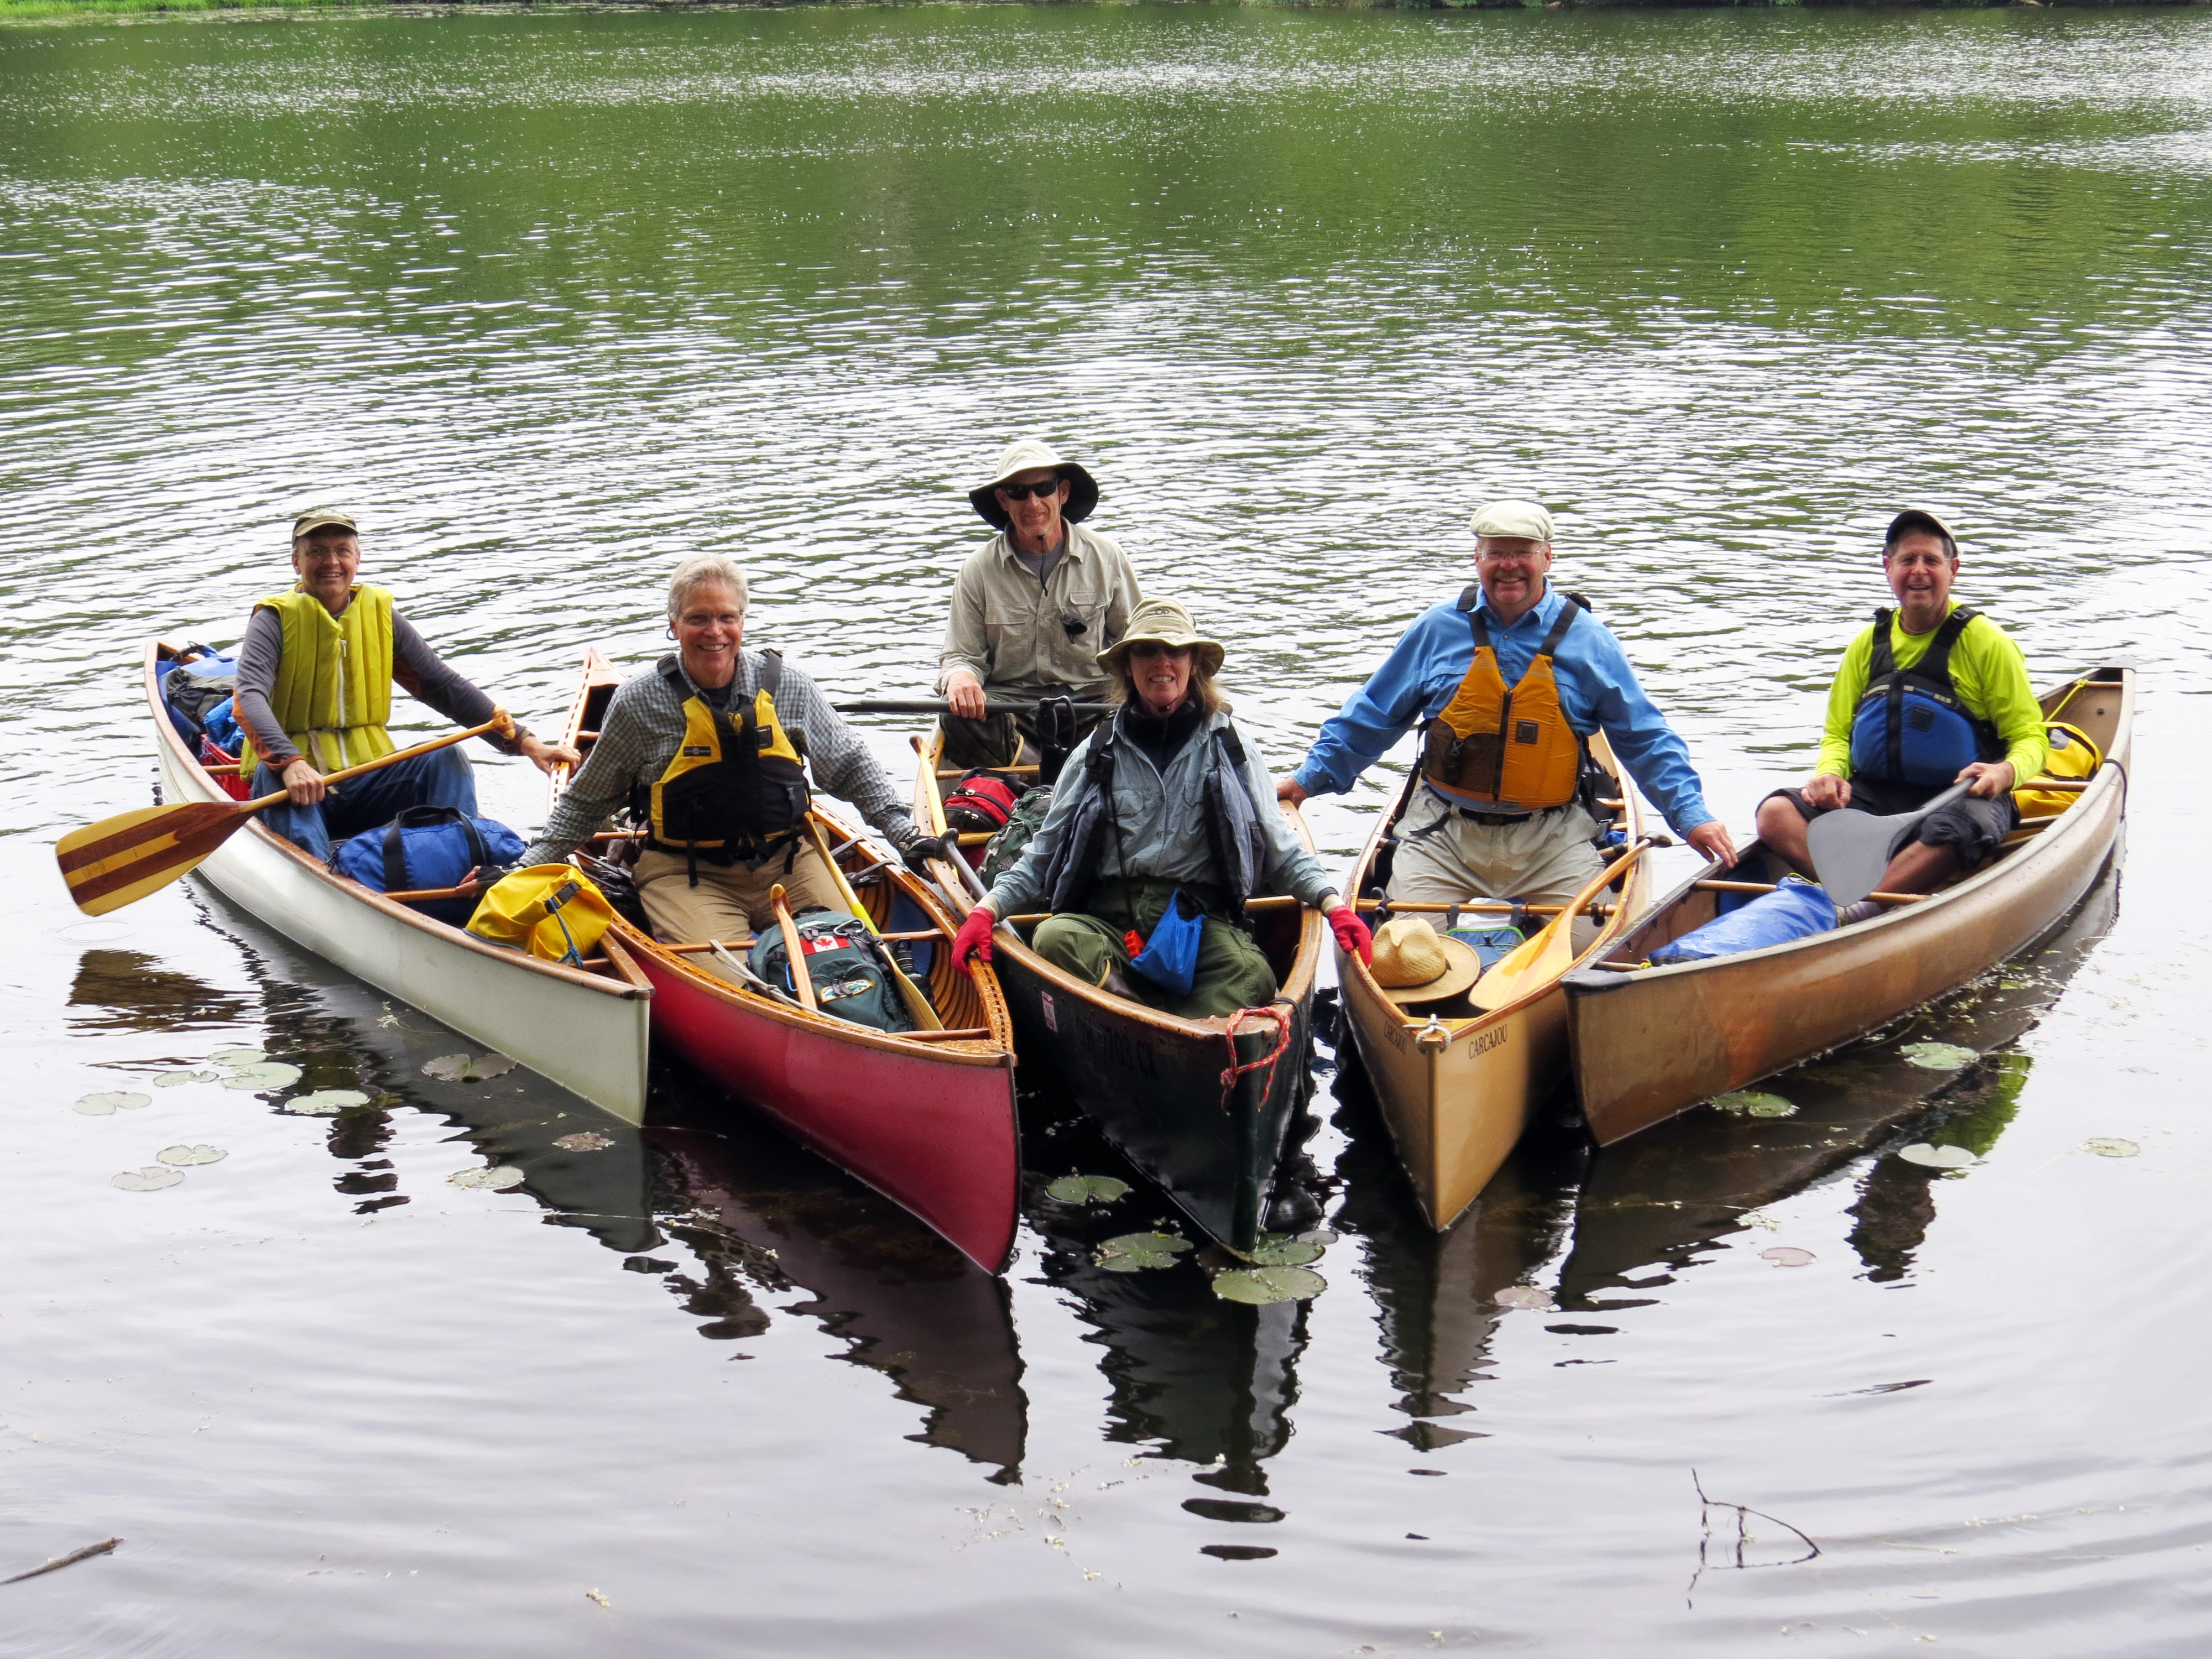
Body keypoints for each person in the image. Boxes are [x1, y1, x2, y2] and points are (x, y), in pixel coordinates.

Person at [1276, 499, 1736, 932]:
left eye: (1523, 553)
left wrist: (1691, 816)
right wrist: (1306, 782)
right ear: (1478, 559)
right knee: (1401, 959)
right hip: (1443, 831)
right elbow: (1373, 716)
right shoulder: (1437, 629)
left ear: (1547, 558)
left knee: (1585, 952)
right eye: (1496, 553)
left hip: (1552, 835)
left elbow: (1644, 737)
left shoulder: (1590, 639)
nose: (1509, 566)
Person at [948, 598, 1371, 1020]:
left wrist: (1333, 904)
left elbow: (1281, 849)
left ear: (1194, 663)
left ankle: (1161, 1023)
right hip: (1109, 925)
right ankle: (1145, 1011)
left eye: (1176, 650)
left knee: (1249, 975)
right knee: (1054, 937)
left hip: (1198, 924)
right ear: (1129, 665)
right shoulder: (1095, 751)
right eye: (1146, 650)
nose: (1162, 662)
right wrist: (988, 910)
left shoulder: (1232, 746)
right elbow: (1043, 855)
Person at [517, 555, 953, 959]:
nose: (715, 632)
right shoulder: (639, 702)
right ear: (674, 625)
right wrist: (523, 869)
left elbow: (851, 765)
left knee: (854, 963)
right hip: (685, 875)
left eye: (727, 617)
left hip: (789, 862)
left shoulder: (789, 687)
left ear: (743, 621)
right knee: (741, 978)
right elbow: (588, 801)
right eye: (698, 619)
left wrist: (904, 834)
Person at [1752, 509, 2048, 921]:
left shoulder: (1987, 643)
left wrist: (2005, 773)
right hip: (1876, 795)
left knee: (1954, 829)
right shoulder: (1866, 645)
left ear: (1954, 570)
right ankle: (1859, 892)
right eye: (1908, 560)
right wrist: (1829, 775)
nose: (1919, 572)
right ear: (1888, 567)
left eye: (1932, 561)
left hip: (1957, 797)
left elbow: (2031, 738)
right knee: (1775, 814)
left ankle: (1857, 910)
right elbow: (1838, 735)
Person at [236, 508, 577, 860]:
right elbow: (250, 696)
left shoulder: (381, 616)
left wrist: (524, 741)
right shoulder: (273, 618)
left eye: (342, 550)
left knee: (446, 758)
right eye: (317, 552)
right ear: (296, 562)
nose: (331, 562)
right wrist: (289, 761)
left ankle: (471, 864)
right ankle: (324, 879)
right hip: (298, 785)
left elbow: (441, 684)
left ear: (357, 558)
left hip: (366, 781)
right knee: (272, 775)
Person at [936, 438, 1144, 770]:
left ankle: (1073, 773)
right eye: (1019, 492)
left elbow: (1135, 641)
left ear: (1062, 493)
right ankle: (1042, 785)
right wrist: (960, 678)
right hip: (1012, 708)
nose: (1033, 502)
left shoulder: (1107, 557)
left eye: (1043, 489)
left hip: (1091, 702)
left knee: (1144, 711)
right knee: (957, 715)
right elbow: (962, 655)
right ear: (1003, 500)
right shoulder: (977, 568)